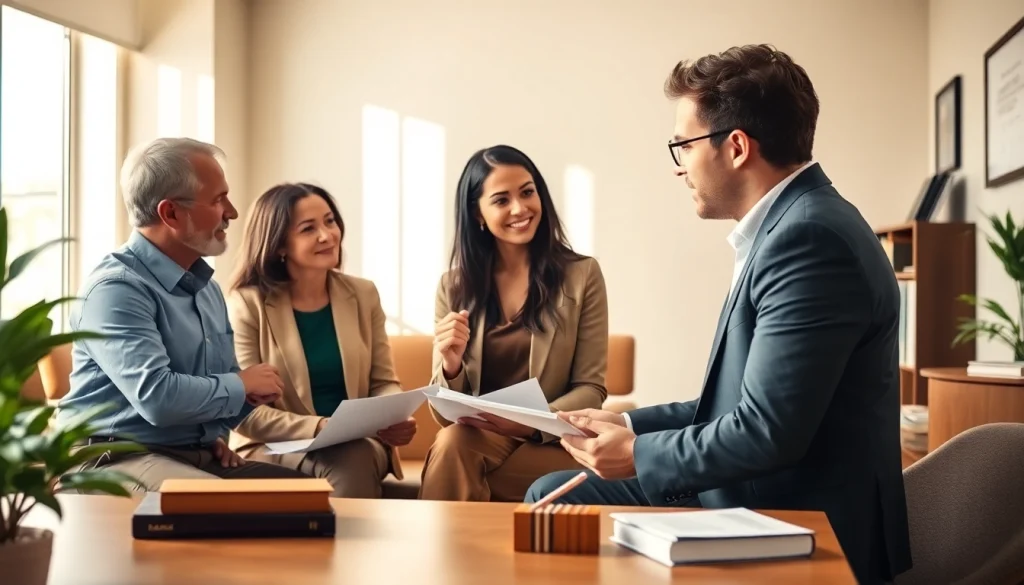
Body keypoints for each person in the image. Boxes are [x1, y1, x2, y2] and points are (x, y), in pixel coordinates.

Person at [525, 45, 913, 584]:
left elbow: (766, 430)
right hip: (765, 487)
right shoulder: (792, 225)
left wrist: (638, 453)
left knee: (554, 506)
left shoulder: (808, 239)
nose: (679, 166)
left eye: (682, 145)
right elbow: (738, 403)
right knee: (550, 498)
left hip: (799, 512)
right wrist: (627, 423)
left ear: (735, 147)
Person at [56, 137, 308, 488]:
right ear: (170, 212)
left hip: (191, 454)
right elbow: (157, 398)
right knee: (218, 504)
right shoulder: (115, 289)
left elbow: (217, 392)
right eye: (218, 199)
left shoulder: (208, 289)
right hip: (114, 459)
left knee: (304, 497)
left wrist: (244, 401)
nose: (232, 212)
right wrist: (240, 384)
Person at [419, 145, 609, 502]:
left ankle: (442, 555)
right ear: (478, 213)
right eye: (501, 200)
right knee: (454, 441)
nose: (520, 209)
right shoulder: (453, 287)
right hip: (480, 438)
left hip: (551, 438)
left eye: (527, 192)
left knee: (456, 453)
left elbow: (590, 388)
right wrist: (451, 363)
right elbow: (444, 415)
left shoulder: (582, 275)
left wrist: (528, 422)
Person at [226, 183, 417, 498]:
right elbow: (245, 413)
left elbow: (383, 381)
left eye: (330, 221)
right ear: (278, 245)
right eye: (308, 228)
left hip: (357, 443)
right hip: (272, 447)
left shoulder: (363, 293)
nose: (327, 235)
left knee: (355, 452)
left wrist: (394, 415)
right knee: (353, 455)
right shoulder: (246, 304)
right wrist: (321, 428)